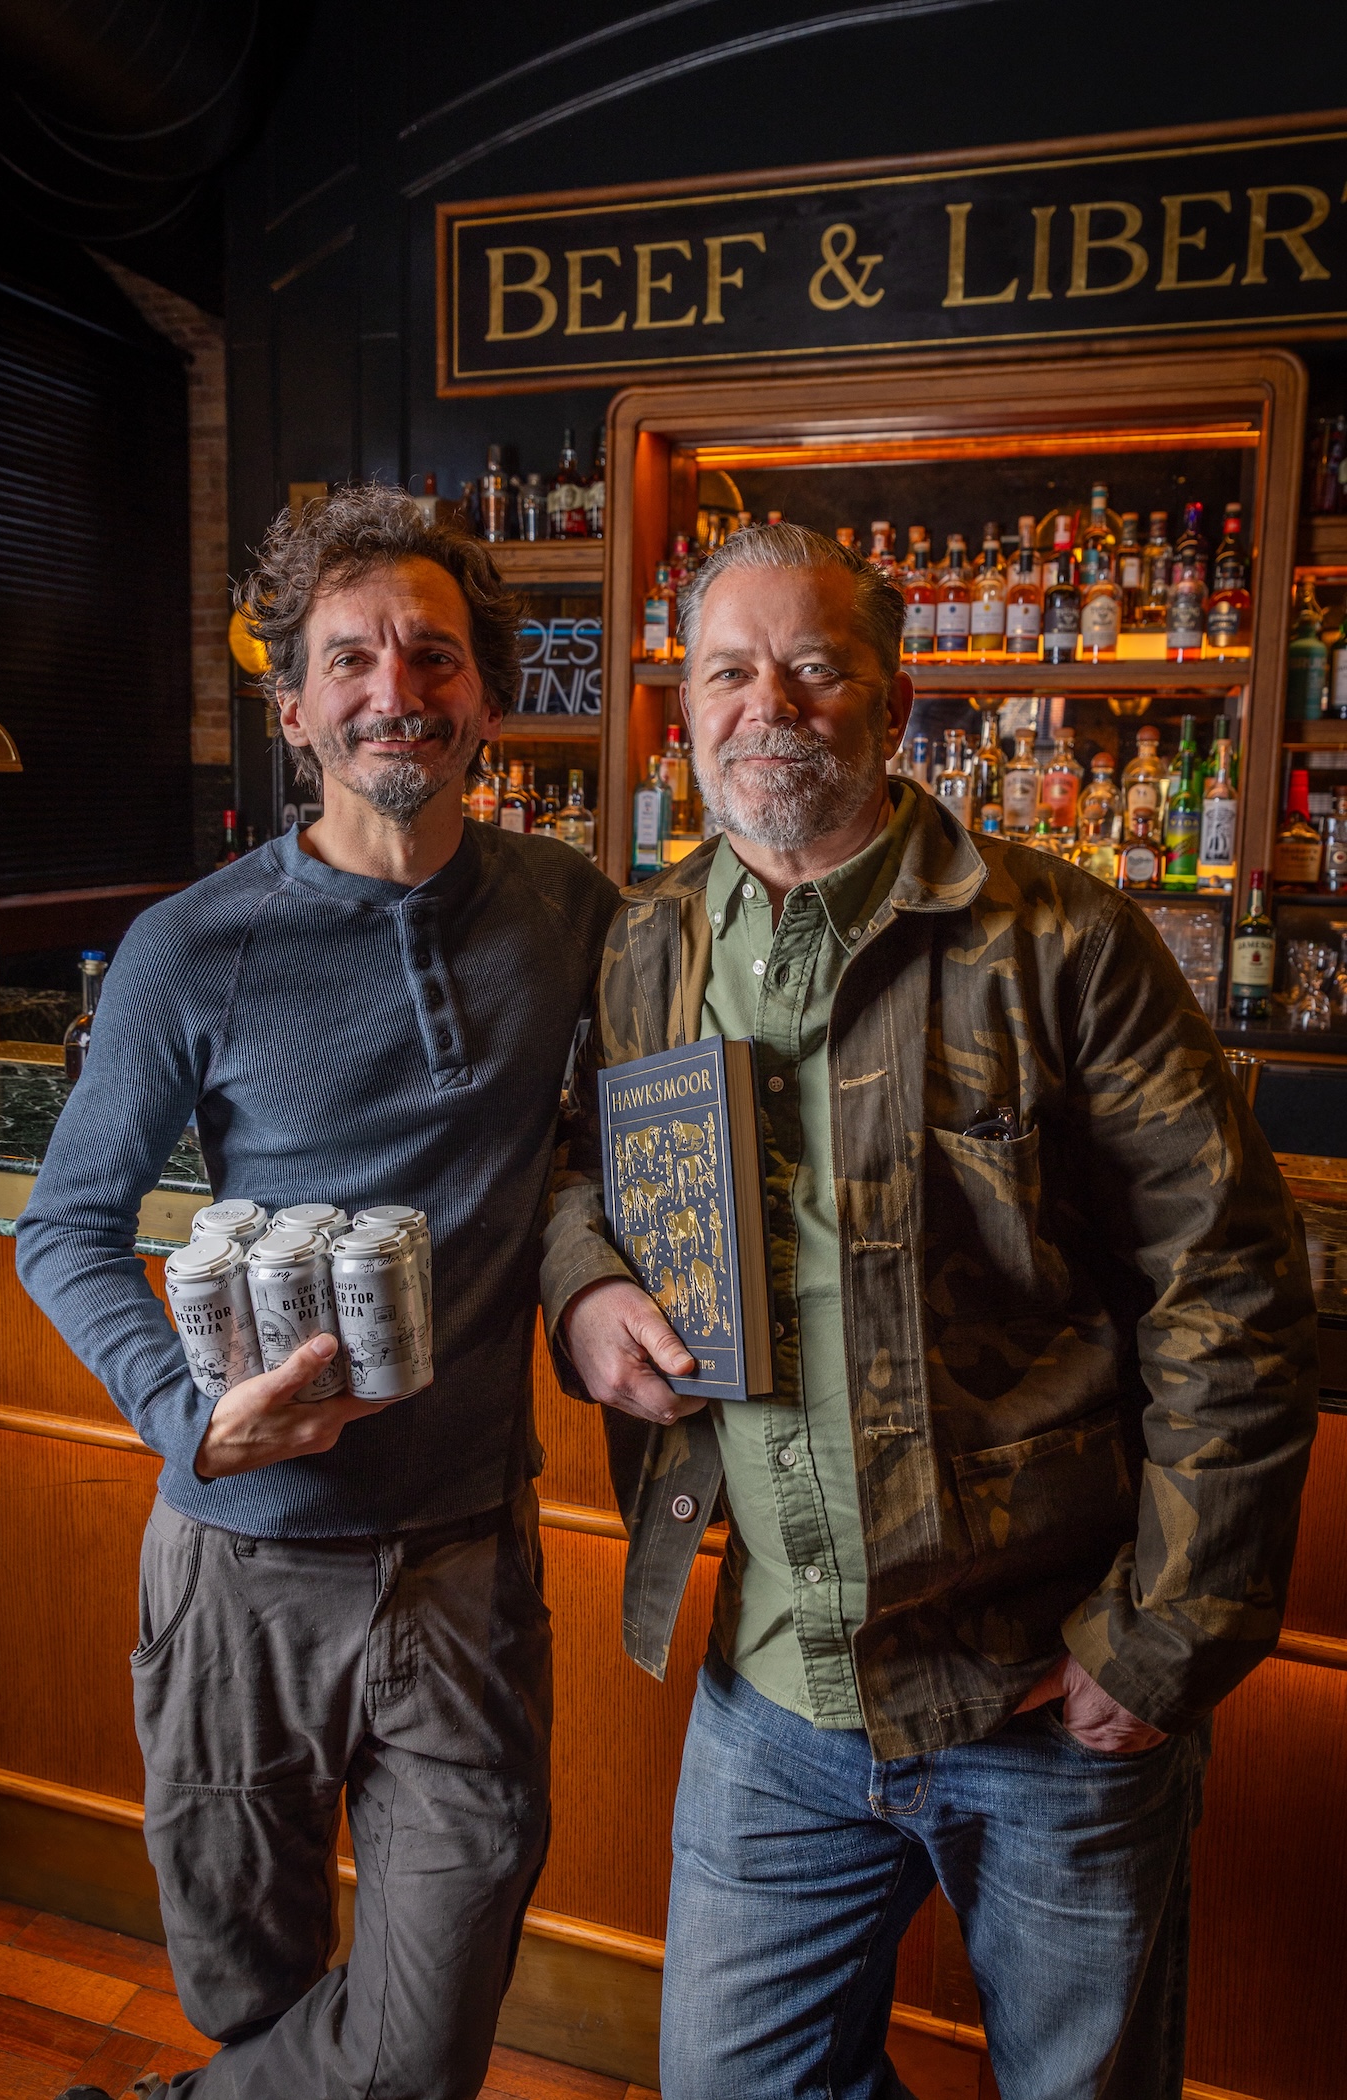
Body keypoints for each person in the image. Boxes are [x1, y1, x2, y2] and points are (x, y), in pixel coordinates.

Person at [541, 523, 1317, 2100]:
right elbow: (575, 1171)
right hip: (775, 1686)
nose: (772, 705)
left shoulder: (1065, 940)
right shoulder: (642, 946)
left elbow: (1229, 1284)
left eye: (816, 668)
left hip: (1046, 1685)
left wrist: (1162, 1636)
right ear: (682, 716)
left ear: (892, 706)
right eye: (729, 672)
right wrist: (588, 1288)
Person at [19, 483, 621, 2100]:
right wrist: (189, 1419)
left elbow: (603, 1162)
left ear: (486, 696)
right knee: (248, 1995)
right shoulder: (189, 945)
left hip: (464, 1568)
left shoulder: (573, 915)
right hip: (238, 1572)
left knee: (418, 2048)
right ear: (292, 706)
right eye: (349, 657)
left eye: (434, 655)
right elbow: (63, 1228)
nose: (394, 689)